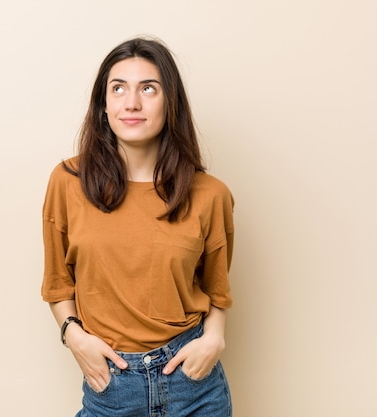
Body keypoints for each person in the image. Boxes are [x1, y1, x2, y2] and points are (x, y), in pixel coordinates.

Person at [41, 37, 235, 417]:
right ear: (104, 106)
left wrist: (214, 338)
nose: (132, 103)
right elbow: (57, 282)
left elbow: (217, 290)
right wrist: (73, 335)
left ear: (170, 103)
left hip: (194, 388)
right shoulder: (67, 182)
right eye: (118, 89)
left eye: (148, 88)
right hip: (111, 387)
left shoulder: (211, 194)